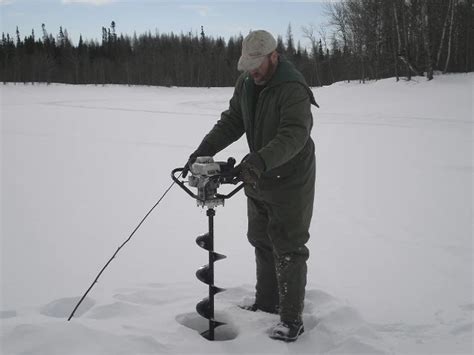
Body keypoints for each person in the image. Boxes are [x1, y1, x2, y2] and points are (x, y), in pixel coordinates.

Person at [182, 29, 318, 342]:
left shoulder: (292, 87)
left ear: (274, 56)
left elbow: (294, 135)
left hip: (290, 176)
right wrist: (203, 150)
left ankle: (291, 319)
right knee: (260, 238)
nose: (252, 70)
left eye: (258, 64)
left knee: (288, 246)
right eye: (248, 64)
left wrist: (257, 161)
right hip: (256, 173)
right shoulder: (246, 82)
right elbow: (233, 120)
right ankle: (267, 303)